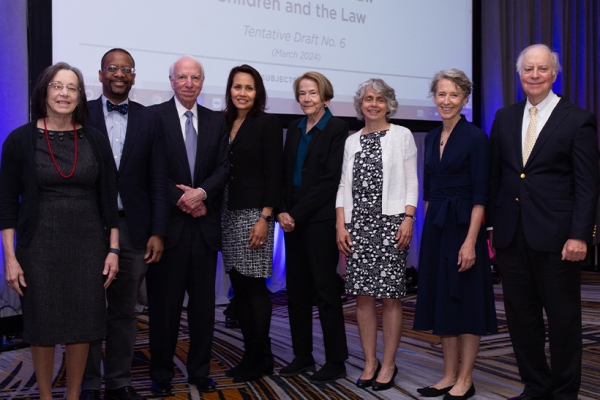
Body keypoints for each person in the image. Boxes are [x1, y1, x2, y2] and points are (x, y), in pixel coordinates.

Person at [0, 62, 119, 400]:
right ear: (45, 92)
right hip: (38, 247)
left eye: (72, 88)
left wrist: (113, 249)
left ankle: (73, 395)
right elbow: (6, 203)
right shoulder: (20, 140)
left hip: (88, 246)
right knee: (43, 325)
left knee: (82, 322)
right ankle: (46, 396)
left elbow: (109, 196)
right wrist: (10, 258)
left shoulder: (94, 139)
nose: (64, 93)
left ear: (81, 96)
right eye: (57, 86)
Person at [488, 44, 599, 400]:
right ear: (519, 75)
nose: (534, 75)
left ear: (554, 73)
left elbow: (587, 184)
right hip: (511, 235)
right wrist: (492, 227)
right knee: (521, 319)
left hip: (558, 238)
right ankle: (535, 385)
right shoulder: (504, 117)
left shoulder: (577, 119)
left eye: (542, 69)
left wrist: (581, 235)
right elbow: (498, 177)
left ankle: (565, 391)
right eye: (528, 70)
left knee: (564, 320)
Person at [81, 48, 169, 400]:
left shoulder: (150, 119)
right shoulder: (79, 111)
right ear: (100, 74)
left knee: (124, 310)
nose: (120, 74)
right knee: (86, 307)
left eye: (127, 69)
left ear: (134, 76)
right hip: (85, 224)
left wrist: (158, 231)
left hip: (134, 227)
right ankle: (86, 383)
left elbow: (158, 179)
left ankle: (119, 382)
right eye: (113, 68)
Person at [146, 56, 229, 395]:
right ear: (171, 80)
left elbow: (224, 167)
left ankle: (198, 371)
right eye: (182, 77)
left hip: (205, 230)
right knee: (164, 308)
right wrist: (182, 199)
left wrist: (202, 193)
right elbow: (150, 170)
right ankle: (162, 375)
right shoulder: (153, 117)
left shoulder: (215, 121)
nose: (189, 83)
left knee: (203, 309)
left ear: (202, 81)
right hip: (169, 228)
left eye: (195, 77)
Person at [413, 70, 497, 400]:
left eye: (454, 95)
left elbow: (480, 196)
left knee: (468, 302)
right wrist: (428, 233)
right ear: (434, 98)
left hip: (465, 227)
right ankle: (447, 374)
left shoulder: (476, 138)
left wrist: (471, 241)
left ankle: (465, 377)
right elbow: (430, 191)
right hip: (437, 227)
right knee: (442, 303)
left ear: (465, 99)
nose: (446, 101)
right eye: (441, 94)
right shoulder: (431, 138)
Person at [336, 78, 418, 391]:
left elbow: (412, 182)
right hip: (358, 224)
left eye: (380, 99)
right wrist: (340, 224)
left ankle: (389, 362)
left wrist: (408, 218)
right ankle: (370, 361)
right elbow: (343, 186)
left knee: (391, 297)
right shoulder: (351, 141)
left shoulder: (402, 135)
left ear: (389, 104)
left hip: (391, 223)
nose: (373, 104)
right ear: (361, 104)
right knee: (363, 297)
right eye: (368, 99)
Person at [277, 71, 349, 383]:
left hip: (318, 220)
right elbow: (283, 172)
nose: (307, 99)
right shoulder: (293, 127)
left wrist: (296, 213)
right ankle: (303, 355)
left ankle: (336, 360)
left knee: (326, 291)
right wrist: (282, 210)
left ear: (325, 97)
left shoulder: (337, 128)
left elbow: (329, 179)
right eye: (302, 94)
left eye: (313, 93)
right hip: (291, 220)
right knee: (296, 292)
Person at [220, 64, 283, 382]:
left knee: (254, 287)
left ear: (257, 92)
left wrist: (265, 217)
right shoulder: (224, 122)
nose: (242, 93)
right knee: (239, 289)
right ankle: (255, 355)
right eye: (236, 87)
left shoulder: (266, 124)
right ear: (229, 90)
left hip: (254, 215)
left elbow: (275, 173)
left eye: (248, 87)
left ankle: (259, 356)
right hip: (227, 213)